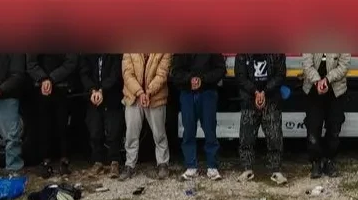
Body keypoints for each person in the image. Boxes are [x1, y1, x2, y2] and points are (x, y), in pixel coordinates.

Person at [172, 53, 227, 181]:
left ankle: (212, 166)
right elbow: (175, 72)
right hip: (187, 93)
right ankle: (191, 166)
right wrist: (189, 79)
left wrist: (203, 79)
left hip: (208, 93)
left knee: (210, 129)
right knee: (189, 130)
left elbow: (220, 70)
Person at [234, 53, 287, 185]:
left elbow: (280, 74)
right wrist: (255, 92)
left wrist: (265, 92)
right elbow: (240, 76)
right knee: (246, 136)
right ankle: (247, 169)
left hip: (271, 99)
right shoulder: (243, 53)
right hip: (249, 99)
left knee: (275, 136)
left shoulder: (277, 51)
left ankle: (276, 169)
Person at [27, 54, 81, 178]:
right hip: (40, 88)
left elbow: (71, 62)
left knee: (63, 126)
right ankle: (45, 161)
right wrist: (43, 79)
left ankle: (64, 159)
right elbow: (31, 64)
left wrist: (51, 78)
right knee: (43, 125)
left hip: (62, 88)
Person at [301, 53, 352, 178]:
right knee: (313, 126)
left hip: (336, 89)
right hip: (313, 89)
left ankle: (329, 159)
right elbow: (307, 64)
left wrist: (327, 79)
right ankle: (315, 161)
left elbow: (344, 66)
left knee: (334, 126)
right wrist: (317, 81)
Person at [122, 53, 172, 180]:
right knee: (131, 134)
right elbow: (127, 74)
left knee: (159, 134)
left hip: (155, 97)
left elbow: (162, 74)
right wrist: (139, 93)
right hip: (134, 96)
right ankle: (129, 165)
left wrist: (149, 92)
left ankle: (162, 163)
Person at [81, 53, 125, 177]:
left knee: (114, 130)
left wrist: (103, 90)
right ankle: (97, 161)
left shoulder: (115, 53)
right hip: (93, 97)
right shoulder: (87, 53)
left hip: (112, 96)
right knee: (95, 130)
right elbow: (84, 73)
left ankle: (114, 162)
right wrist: (92, 90)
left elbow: (116, 73)